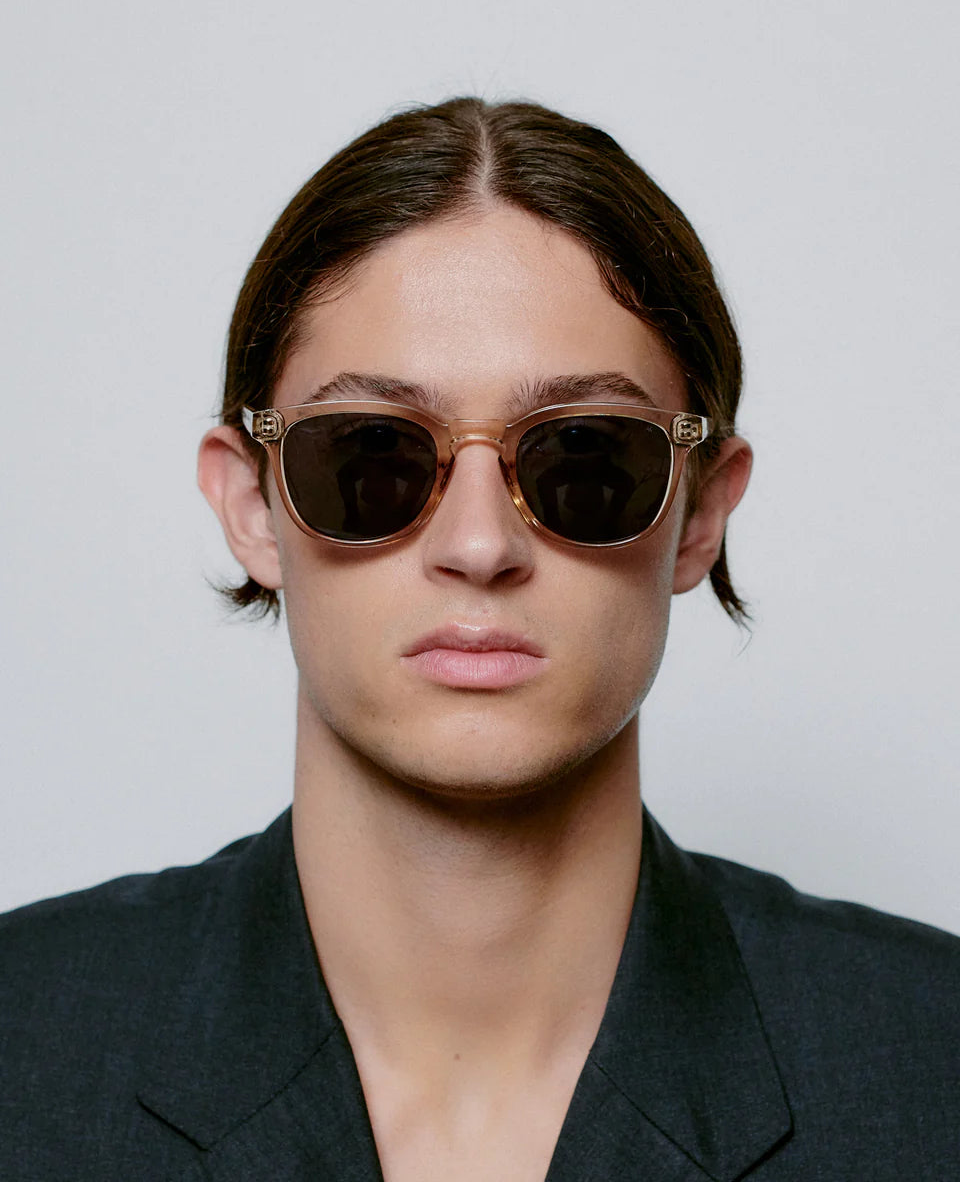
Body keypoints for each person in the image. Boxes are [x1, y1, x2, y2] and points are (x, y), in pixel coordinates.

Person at [1, 97, 957, 1181]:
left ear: (700, 513)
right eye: (371, 455)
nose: (478, 544)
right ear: (252, 506)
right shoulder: (25, 1045)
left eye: (586, 457)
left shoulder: (930, 1068)